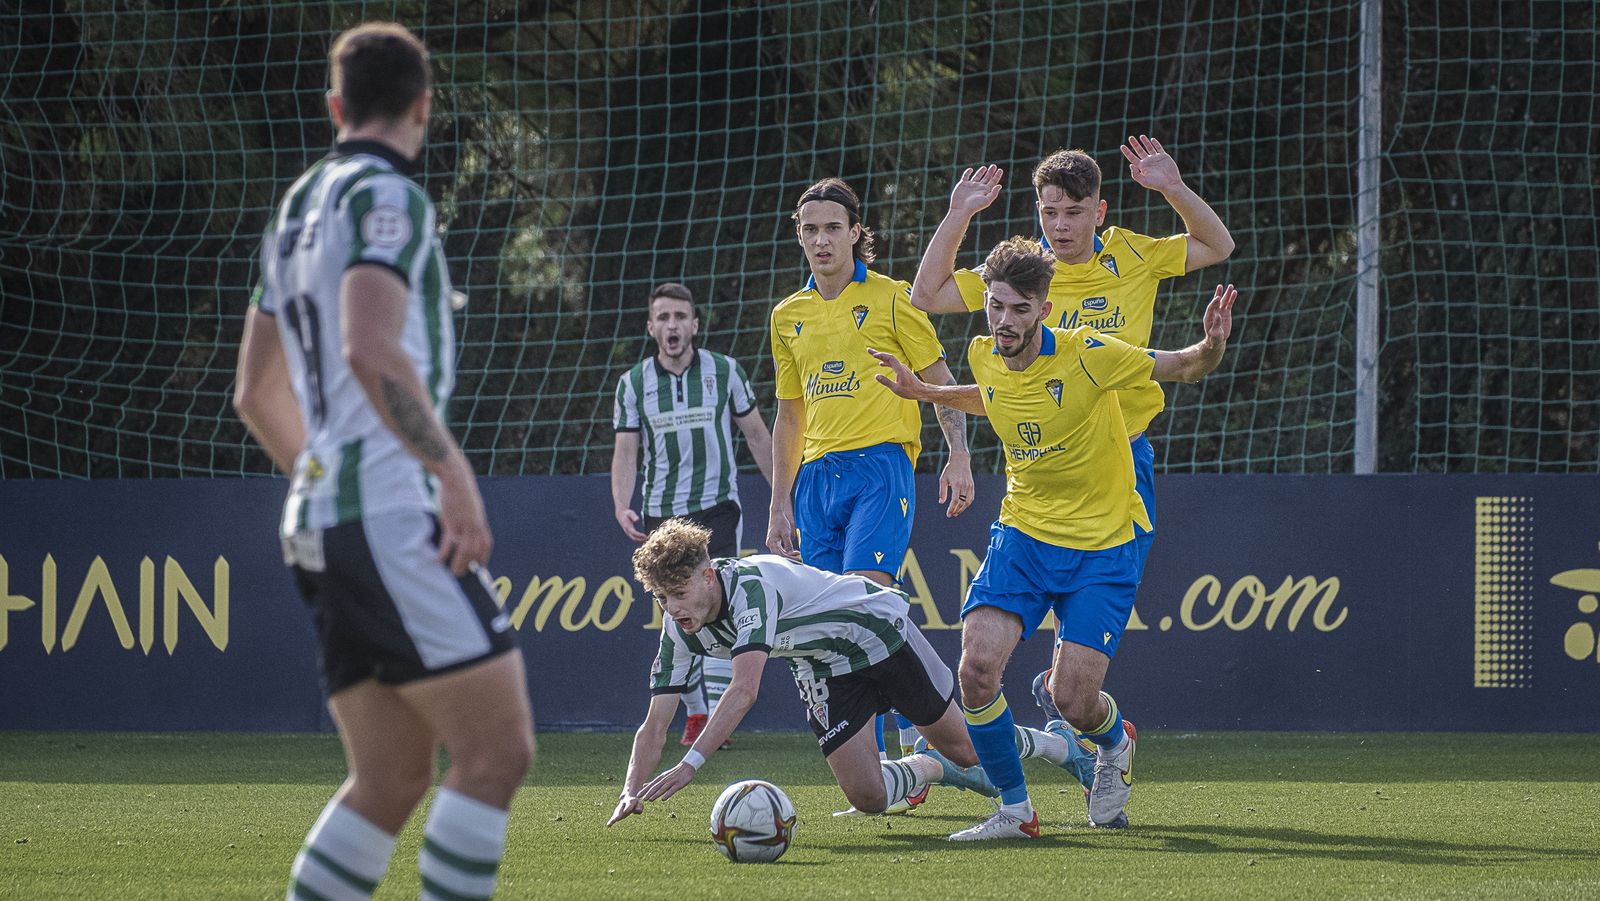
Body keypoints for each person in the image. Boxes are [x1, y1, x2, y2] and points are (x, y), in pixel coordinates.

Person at [233, 23, 532, 899]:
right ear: (424, 107)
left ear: (335, 106)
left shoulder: (296, 213)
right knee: (498, 750)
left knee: (393, 777)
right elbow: (371, 344)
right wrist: (452, 471)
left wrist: (326, 487)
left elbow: (256, 392)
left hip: (322, 517)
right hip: (387, 511)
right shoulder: (384, 195)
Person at [874, 237, 1237, 840]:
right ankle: (1016, 813)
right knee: (977, 670)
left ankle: (1114, 742)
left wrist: (1213, 343)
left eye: (1019, 309)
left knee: (1073, 701)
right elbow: (994, 398)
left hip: (1103, 543)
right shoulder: (985, 354)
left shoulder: (1089, 353)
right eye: (995, 306)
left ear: (1044, 308)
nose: (1004, 320)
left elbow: (1183, 365)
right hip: (1022, 534)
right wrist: (927, 392)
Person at [605, 519, 1087, 826]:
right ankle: (930, 768)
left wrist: (691, 765)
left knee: (968, 747)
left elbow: (744, 689)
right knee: (870, 798)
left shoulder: (748, 588)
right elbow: (655, 722)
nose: (672, 607)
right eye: (661, 597)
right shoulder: (678, 625)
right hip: (823, 665)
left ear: (708, 575)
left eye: (680, 593)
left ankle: (1057, 745)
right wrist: (631, 790)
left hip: (876, 633)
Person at [766, 178, 974, 771]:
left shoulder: (892, 298)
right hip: (814, 482)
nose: (822, 240)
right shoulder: (788, 316)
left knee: (868, 603)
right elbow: (789, 413)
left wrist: (958, 454)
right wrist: (780, 500)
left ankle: (922, 721)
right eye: (811, 229)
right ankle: (881, 766)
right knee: (830, 629)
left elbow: (939, 380)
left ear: (857, 233)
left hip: (881, 466)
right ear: (799, 235)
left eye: (834, 228)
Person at [611, 281, 774, 746]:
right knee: (675, 614)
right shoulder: (633, 383)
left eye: (680, 317)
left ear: (695, 324)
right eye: (663, 318)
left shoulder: (725, 371)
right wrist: (623, 503)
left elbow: (758, 436)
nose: (672, 325)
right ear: (651, 328)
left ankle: (718, 726)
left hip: (717, 509)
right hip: (662, 512)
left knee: (721, 605)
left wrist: (784, 496)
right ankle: (699, 712)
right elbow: (626, 451)